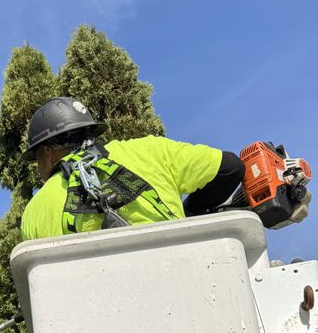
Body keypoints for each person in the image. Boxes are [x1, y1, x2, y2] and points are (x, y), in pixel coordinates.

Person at [20, 96, 246, 242]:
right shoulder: (150, 150)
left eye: (36, 157)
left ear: (48, 151)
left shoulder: (33, 213)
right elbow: (231, 168)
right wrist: (191, 215)